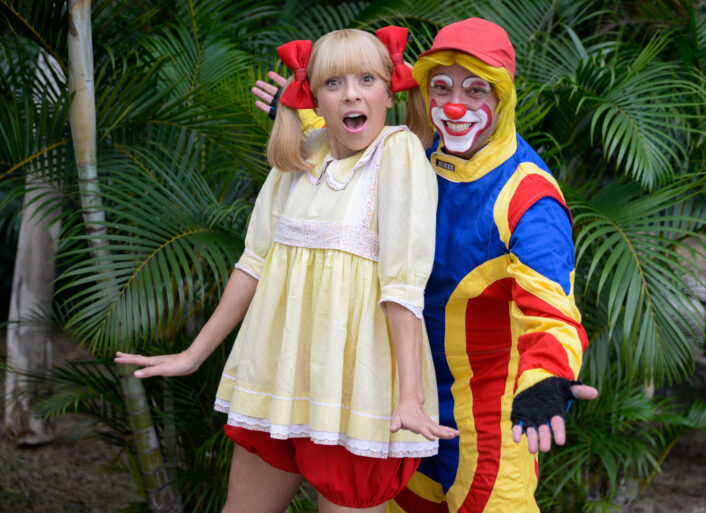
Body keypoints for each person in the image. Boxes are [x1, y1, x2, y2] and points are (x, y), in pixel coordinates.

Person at [252, 18, 598, 513]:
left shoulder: (529, 197)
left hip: (485, 420)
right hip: (400, 400)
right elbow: (352, 147)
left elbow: (550, 308)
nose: (455, 106)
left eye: (475, 90)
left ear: (503, 97)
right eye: (441, 88)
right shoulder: (413, 149)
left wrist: (545, 377)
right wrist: (305, 116)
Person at [116, 26, 459, 513]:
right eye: (333, 83)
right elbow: (253, 263)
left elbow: (402, 285)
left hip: (354, 389)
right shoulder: (300, 157)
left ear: (389, 91)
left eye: (366, 79)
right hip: (278, 380)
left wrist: (410, 397)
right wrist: (194, 354)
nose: (352, 94)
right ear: (314, 98)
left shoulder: (398, 153)